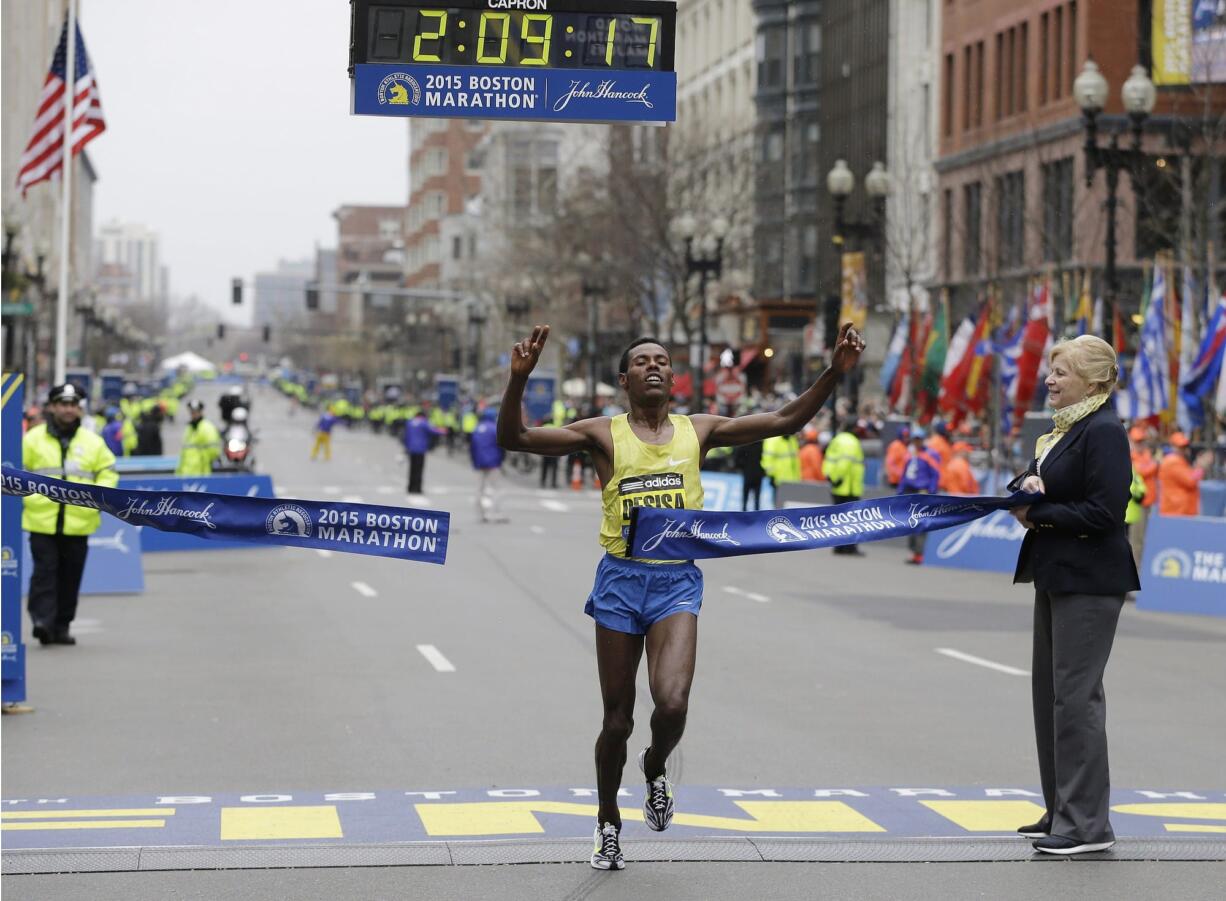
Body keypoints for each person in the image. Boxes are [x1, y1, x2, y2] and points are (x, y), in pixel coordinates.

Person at [497, 322, 865, 870]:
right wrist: (517, 382)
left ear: (673, 377)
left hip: (675, 583)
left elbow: (786, 420)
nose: (653, 366)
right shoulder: (602, 433)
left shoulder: (699, 430)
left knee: (671, 704)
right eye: (642, 361)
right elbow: (516, 439)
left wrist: (834, 372)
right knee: (616, 719)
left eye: (662, 360)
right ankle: (606, 821)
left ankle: (653, 766)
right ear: (625, 380)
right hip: (620, 580)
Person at [1007, 335, 1138, 856]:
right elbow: (1036, 477)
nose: (1050, 379)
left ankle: (1086, 826)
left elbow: (1107, 513)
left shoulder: (1104, 431)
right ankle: (1061, 807)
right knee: (1051, 698)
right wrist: (1027, 487)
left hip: (1090, 579)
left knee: (1077, 700)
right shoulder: (1063, 430)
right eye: (1051, 370)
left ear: (1096, 381)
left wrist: (1039, 513)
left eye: (1061, 372)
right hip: (1057, 573)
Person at [22, 383, 119, 645]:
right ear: (52, 407)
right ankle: (42, 621)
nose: (68, 410)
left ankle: (62, 626)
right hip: (41, 520)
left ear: (80, 409)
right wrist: (33, 498)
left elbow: (108, 472)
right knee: (44, 572)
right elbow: (18, 473)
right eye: (63, 404)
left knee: (70, 576)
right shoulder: (32, 438)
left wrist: (98, 498)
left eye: (73, 405)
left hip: (79, 522)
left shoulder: (93, 442)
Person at [823, 420, 866, 556]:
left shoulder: (837, 439)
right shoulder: (851, 442)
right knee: (851, 519)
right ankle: (850, 548)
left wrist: (831, 478)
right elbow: (845, 463)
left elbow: (829, 460)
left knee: (837, 517)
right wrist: (838, 478)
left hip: (838, 486)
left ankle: (838, 547)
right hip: (848, 486)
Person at [897, 430, 941, 565]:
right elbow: (904, 474)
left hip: (922, 491)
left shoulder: (929, 455)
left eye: (919, 439)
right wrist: (900, 490)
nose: (916, 442)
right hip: (909, 491)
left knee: (920, 522)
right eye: (914, 439)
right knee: (910, 522)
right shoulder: (909, 455)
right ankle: (913, 551)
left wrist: (932, 490)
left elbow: (935, 474)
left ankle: (919, 553)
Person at [1157, 432, 1212, 516]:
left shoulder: (1179, 460)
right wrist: (1200, 467)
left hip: (1180, 510)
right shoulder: (1173, 461)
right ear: (1173, 447)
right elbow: (1191, 481)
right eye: (1180, 447)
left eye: (1185, 447)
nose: (1184, 450)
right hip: (1176, 511)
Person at [471, 407, 509, 522]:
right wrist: (501, 461)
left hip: (479, 463)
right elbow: (502, 447)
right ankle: (496, 513)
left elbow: (472, 447)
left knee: (479, 490)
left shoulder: (477, 429)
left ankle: (481, 514)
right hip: (493, 463)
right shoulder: (495, 429)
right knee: (497, 489)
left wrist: (474, 462)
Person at [1127, 426, 1158, 561]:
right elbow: (1141, 471)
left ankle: (1139, 567)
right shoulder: (1131, 456)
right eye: (1137, 441)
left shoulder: (1145, 455)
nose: (1140, 444)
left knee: (1143, 538)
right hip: (1136, 505)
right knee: (1136, 540)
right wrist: (1154, 464)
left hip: (1148, 502)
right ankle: (1136, 570)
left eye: (1142, 441)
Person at [176, 400, 222, 476]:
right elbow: (184, 452)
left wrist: (204, 461)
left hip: (201, 472)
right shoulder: (189, 428)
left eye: (195, 412)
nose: (193, 415)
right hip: (186, 472)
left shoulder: (207, 427)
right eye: (192, 412)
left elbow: (214, 451)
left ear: (201, 412)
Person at [403, 407, 439, 495]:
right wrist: (444, 431)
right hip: (420, 449)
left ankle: (410, 487)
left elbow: (406, 436)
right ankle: (417, 488)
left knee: (412, 469)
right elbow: (433, 431)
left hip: (411, 449)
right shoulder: (424, 423)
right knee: (419, 469)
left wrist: (406, 447)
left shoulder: (410, 423)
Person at [732, 439, 766, 511]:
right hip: (757, 475)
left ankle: (744, 514)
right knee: (756, 499)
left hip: (748, 474)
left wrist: (742, 467)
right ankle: (756, 515)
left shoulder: (744, 445)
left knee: (746, 498)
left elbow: (737, 460)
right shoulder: (761, 445)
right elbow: (764, 460)